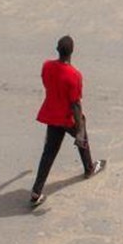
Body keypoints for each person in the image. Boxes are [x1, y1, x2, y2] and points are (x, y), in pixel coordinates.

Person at [29, 34, 104, 208]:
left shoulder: (47, 66)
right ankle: (89, 168)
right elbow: (75, 104)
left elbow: (47, 84)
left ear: (57, 49)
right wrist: (79, 129)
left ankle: (36, 192)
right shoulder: (74, 75)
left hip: (52, 115)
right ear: (72, 51)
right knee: (82, 136)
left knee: (48, 154)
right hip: (67, 118)